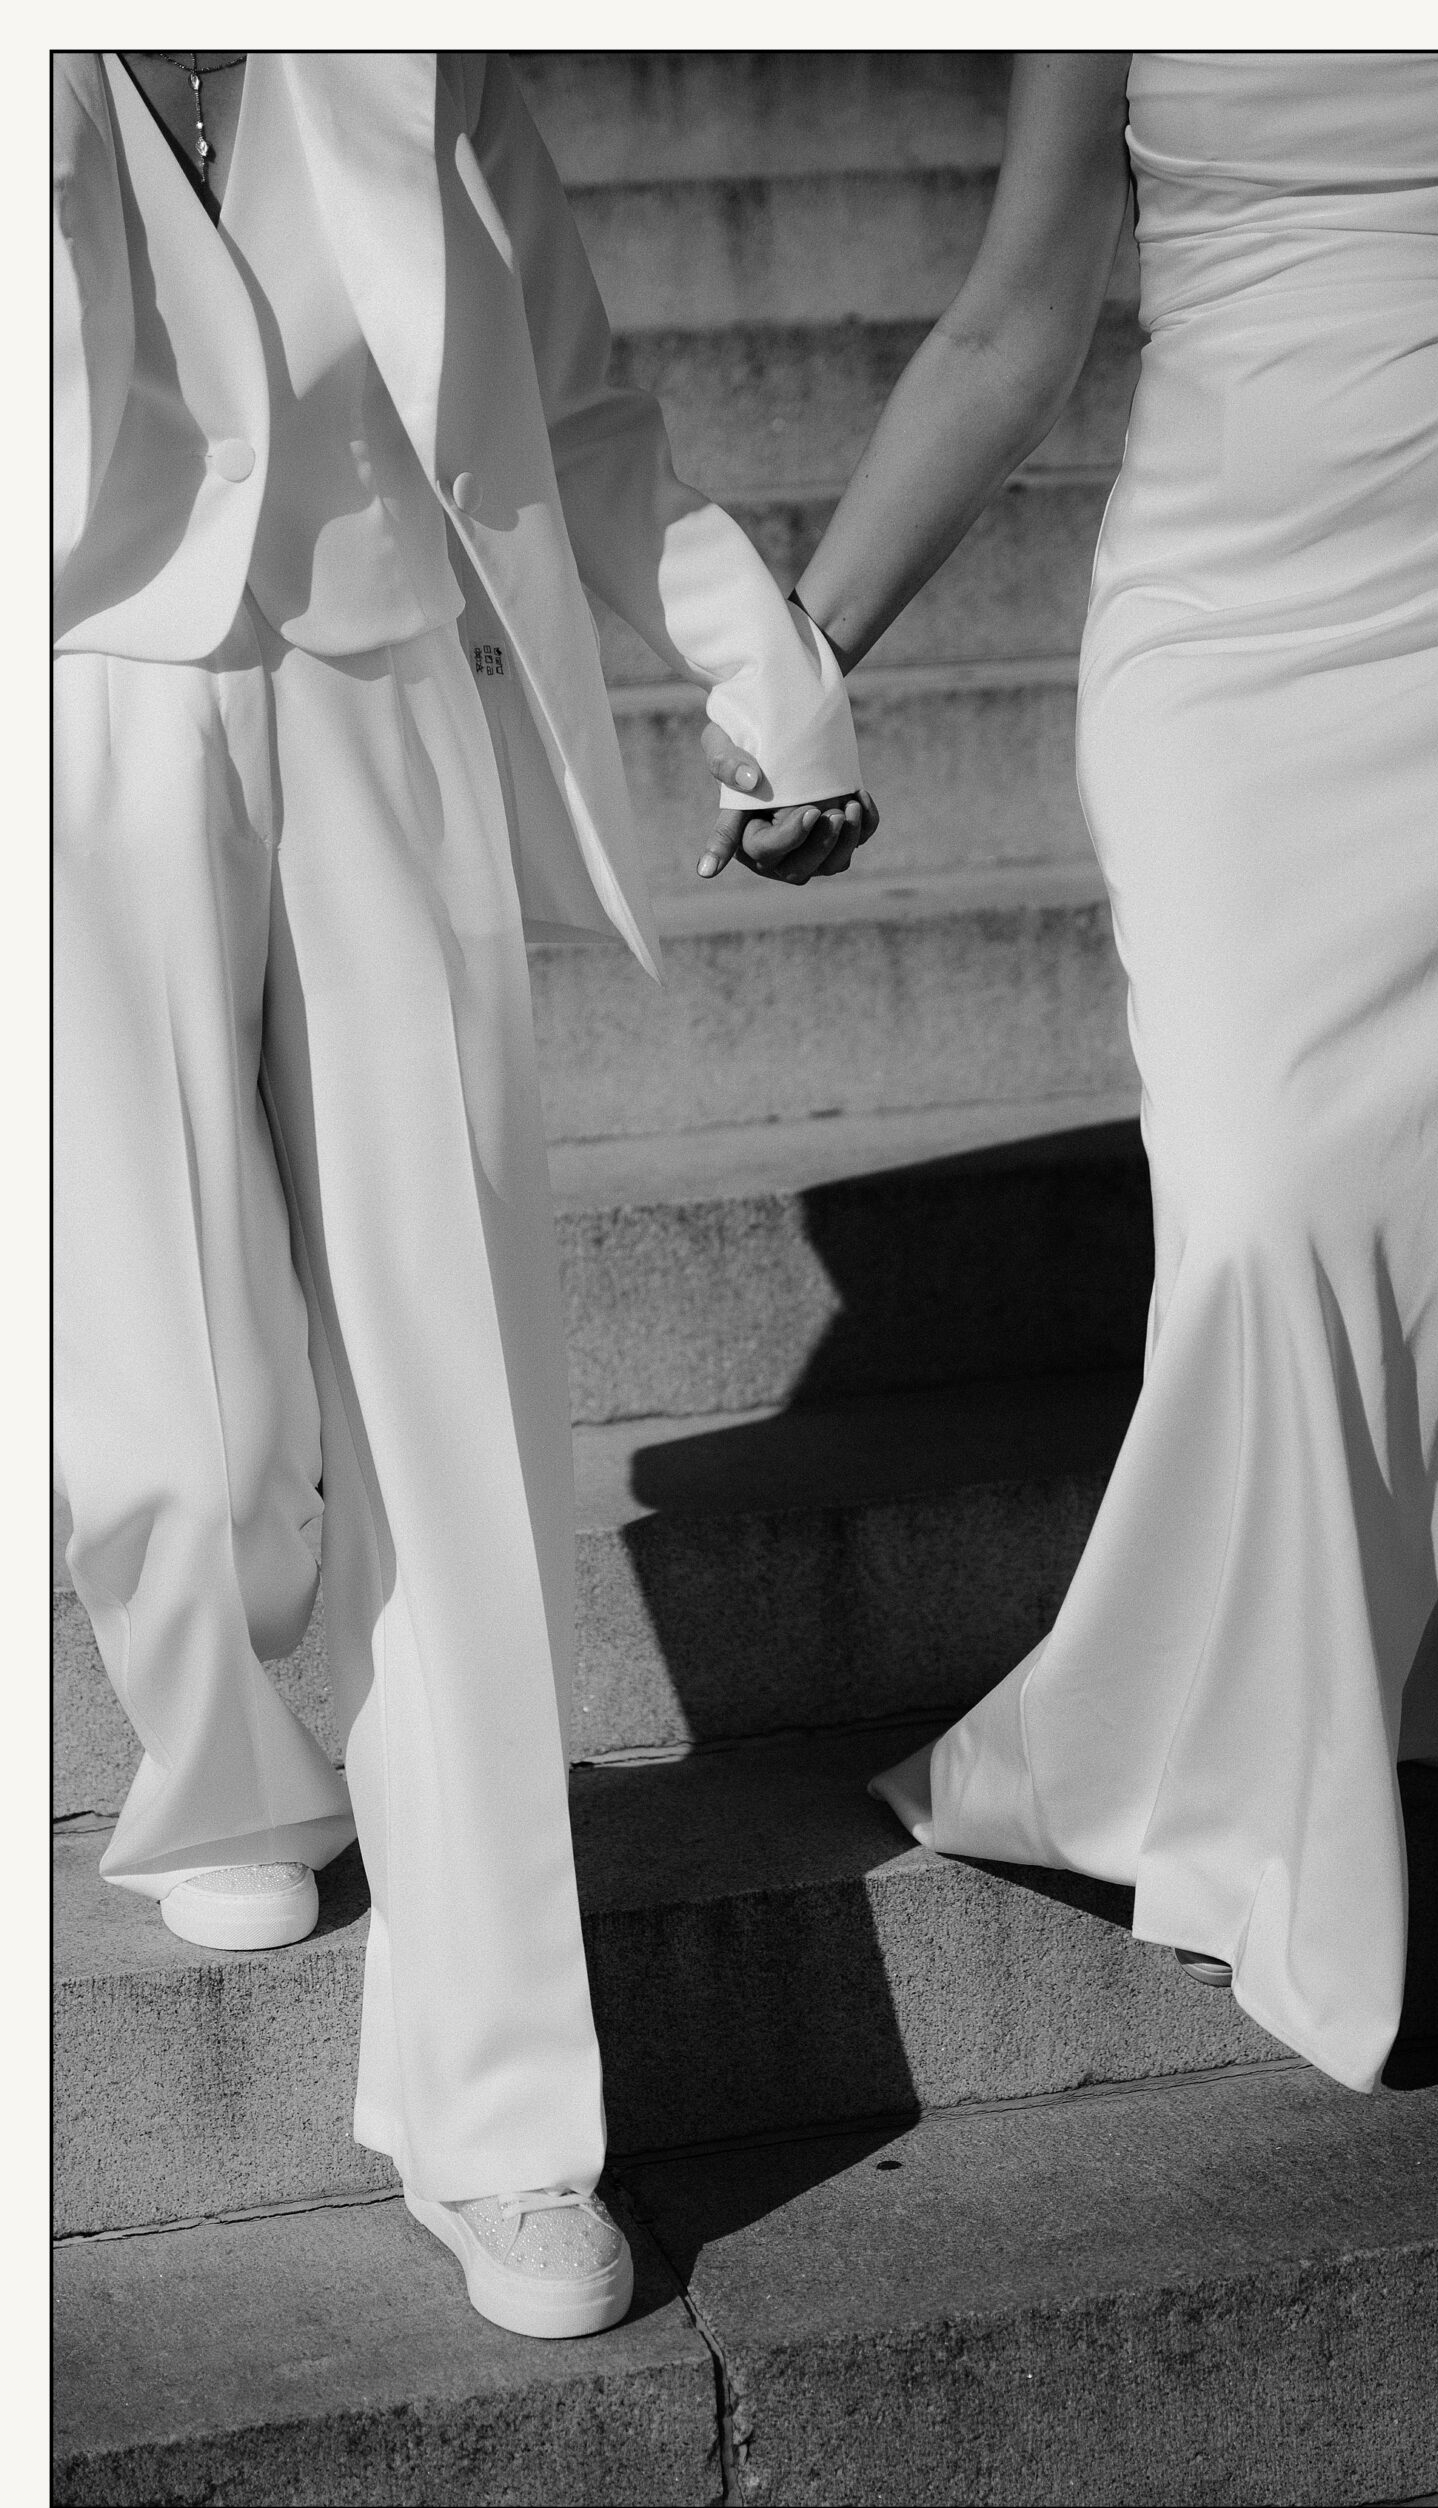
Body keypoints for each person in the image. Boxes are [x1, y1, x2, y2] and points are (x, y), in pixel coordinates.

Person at [707, 52, 1438, 2194]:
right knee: (1256, 1213)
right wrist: (807, 656)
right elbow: (1015, 312)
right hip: (1238, 630)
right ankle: (1184, 1737)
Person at [52, 48, 872, 2338]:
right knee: (183, 1439)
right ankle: (219, 1747)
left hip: (378, 677)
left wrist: (755, 654)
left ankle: (502, 2113)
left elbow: (581, 406)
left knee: (459, 1419)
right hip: (73, 706)